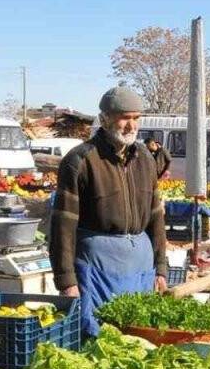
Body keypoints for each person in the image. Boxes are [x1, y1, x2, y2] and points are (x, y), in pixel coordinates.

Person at [49, 87, 167, 335]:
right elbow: (63, 226)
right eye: (124, 117)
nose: (131, 125)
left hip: (141, 267)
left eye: (136, 118)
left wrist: (161, 268)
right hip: (97, 269)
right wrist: (66, 281)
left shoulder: (145, 159)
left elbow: (156, 218)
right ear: (104, 119)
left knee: (139, 334)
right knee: (98, 337)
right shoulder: (80, 161)